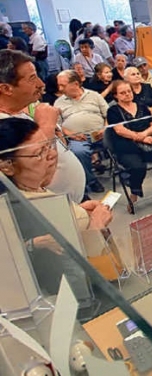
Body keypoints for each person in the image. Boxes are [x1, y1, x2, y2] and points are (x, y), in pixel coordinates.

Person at [0, 116, 112, 302]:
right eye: (39, 153)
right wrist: (97, 225)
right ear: (7, 166)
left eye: (48, 146)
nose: (51, 155)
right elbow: (67, 270)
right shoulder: (21, 209)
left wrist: (79, 211)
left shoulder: (35, 190)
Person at [0, 50, 86, 203]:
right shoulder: (4, 127)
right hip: (49, 210)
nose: (41, 84)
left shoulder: (19, 113)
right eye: (32, 79)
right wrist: (46, 125)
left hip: (68, 204)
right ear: (6, 89)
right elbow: (38, 176)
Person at [106, 80, 152, 212]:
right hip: (127, 147)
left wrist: (144, 135)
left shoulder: (142, 106)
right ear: (116, 95)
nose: (127, 94)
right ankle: (134, 193)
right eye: (123, 93)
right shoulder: (112, 111)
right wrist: (142, 137)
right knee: (138, 166)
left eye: (129, 91)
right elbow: (119, 130)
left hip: (147, 143)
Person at [55, 69, 108, 194]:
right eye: (59, 85)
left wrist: (105, 128)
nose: (60, 88)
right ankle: (91, 181)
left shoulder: (94, 95)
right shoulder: (58, 103)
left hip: (101, 134)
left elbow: (109, 115)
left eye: (63, 85)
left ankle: (128, 173)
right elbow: (57, 126)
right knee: (78, 152)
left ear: (76, 84)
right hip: (78, 138)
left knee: (119, 141)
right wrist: (70, 134)